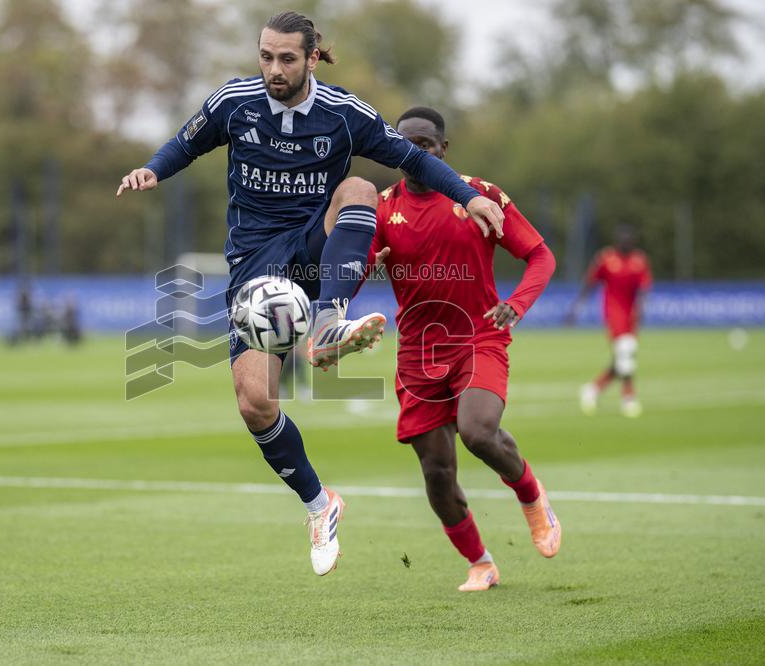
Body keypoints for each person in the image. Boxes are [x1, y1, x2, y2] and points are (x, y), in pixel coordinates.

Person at [116, 12, 505, 576]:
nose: (274, 69)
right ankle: (321, 505)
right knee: (254, 403)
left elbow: (414, 159)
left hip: (317, 240)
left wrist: (466, 196)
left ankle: (329, 321)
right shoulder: (235, 102)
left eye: (287, 59)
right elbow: (185, 143)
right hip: (254, 264)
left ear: (312, 56)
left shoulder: (344, 115)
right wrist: (152, 171)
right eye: (266, 57)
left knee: (360, 186)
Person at [370, 107, 560, 592]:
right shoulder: (381, 209)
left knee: (478, 432)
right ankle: (481, 562)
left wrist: (515, 305)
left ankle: (531, 496)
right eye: (406, 144)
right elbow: (352, 274)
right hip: (417, 351)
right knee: (436, 471)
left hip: (478, 335)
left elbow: (539, 255)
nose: (416, 154)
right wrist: (336, 318)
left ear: (444, 149)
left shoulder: (480, 196)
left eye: (426, 145)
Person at [567, 225, 652, 418]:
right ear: (617, 242)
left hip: (632, 315)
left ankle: (592, 389)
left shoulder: (639, 260)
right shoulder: (605, 258)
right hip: (613, 313)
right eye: (623, 241)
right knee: (626, 352)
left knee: (622, 359)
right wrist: (576, 308)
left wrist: (643, 307)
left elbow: (645, 287)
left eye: (629, 242)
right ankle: (628, 398)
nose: (626, 244)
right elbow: (589, 283)